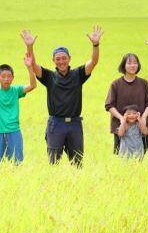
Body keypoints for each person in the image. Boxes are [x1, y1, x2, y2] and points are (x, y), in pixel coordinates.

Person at [20, 26, 103, 167]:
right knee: (53, 163)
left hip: (75, 124)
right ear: (53, 60)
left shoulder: (78, 74)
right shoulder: (49, 77)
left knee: (77, 163)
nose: (61, 61)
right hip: (56, 124)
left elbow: (93, 62)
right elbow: (32, 64)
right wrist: (29, 47)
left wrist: (95, 44)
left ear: (69, 58)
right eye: (58, 59)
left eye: (64, 58)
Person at [0, 51, 37, 165]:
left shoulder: (16, 90)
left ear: (13, 78)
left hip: (14, 131)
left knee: (16, 164)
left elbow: (33, 85)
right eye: (3, 76)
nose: (6, 79)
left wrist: (29, 67)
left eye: (9, 76)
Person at [105, 53, 148, 155]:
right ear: (123, 65)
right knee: (121, 158)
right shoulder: (116, 84)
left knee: (143, 158)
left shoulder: (144, 83)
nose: (132, 65)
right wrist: (121, 118)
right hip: (121, 127)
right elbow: (109, 105)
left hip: (141, 127)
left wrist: (144, 117)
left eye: (135, 63)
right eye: (129, 63)